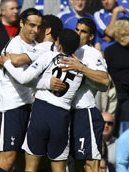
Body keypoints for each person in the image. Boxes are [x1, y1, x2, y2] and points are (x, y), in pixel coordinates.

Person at [0, 28, 83, 172]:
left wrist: (6, 62)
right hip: (61, 118)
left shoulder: (49, 55)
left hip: (41, 113)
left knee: (30, 167)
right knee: (59, 169)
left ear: (59, 44)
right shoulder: (81, 69)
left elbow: (24, 79)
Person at [0, 8, 43, 172]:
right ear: (21, 23)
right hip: (11, 107)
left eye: (38, 27)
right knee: (8, 159)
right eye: (32, 25)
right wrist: (46, 83)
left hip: (27, 106)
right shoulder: (14, 45)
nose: (35, 30)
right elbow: (24, 79)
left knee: (23, 161)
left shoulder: (36, 46)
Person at [59, 18, 110, 172]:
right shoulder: (65, 49)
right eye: (77, 30)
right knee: (75, 164)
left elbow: (105, 80)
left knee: (90, 163)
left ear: (91, 36)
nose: (79, 34)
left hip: (84, 111)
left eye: (84, 31)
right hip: (65, 111)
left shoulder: (92, 53)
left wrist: (81, 68)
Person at [104, 19, 129, 137]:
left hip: (128, 95)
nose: (125, 37)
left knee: (126, 128)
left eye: (127, 34)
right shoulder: (110, 51)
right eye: (122, 34)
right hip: (114, 94)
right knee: (111, 124)